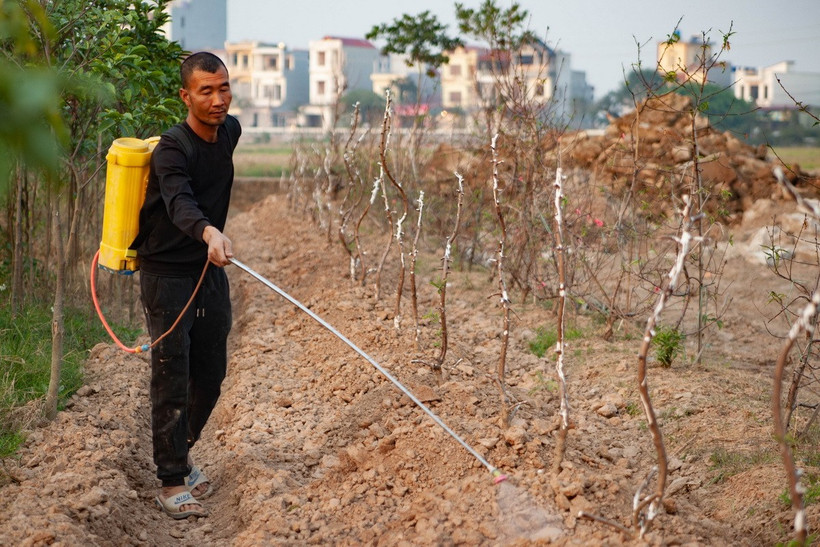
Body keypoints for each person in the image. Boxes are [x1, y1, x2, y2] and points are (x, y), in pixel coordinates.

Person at [133, 51, 241, 519]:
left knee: (211, 375)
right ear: (186, 96)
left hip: (207, 270)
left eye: (224, 88)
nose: (218, 100)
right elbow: (179, 202)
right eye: (206, 91)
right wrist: (208, 230)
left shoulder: (231, 132)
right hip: (167, 273)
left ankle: (182, 449)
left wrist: (211, 242)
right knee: (171, 374)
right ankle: (171, 479)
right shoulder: (173, 149)